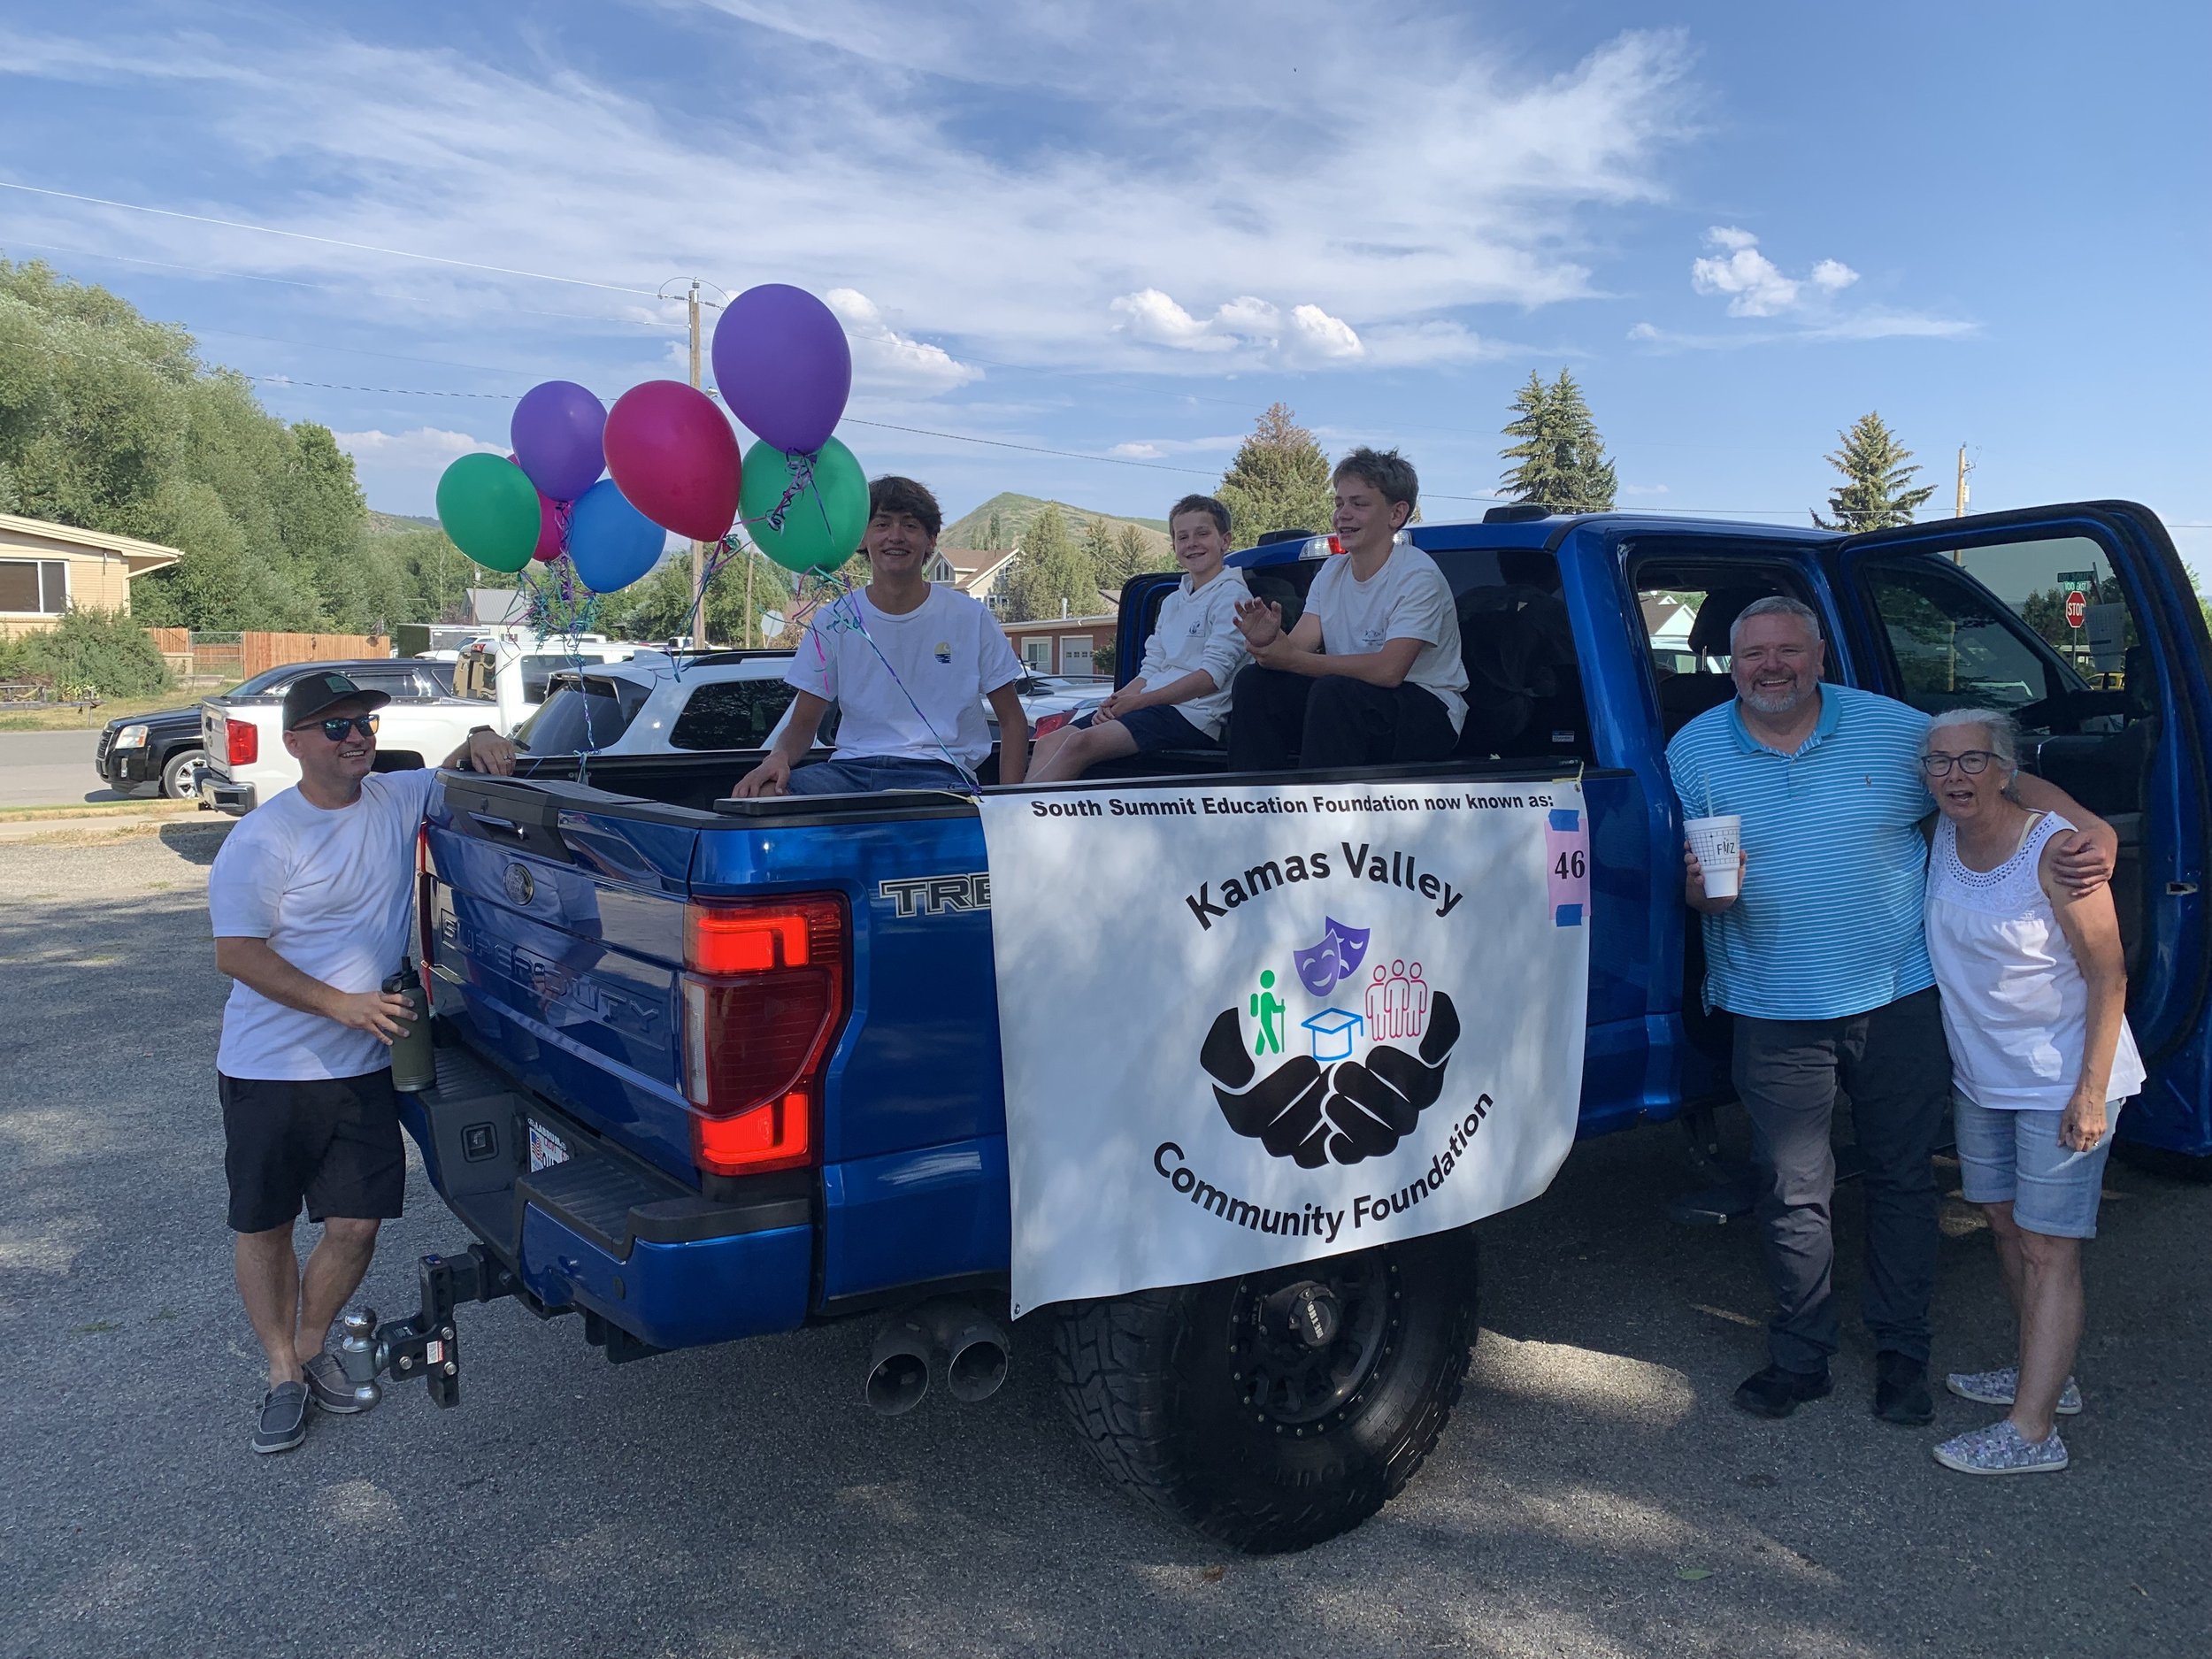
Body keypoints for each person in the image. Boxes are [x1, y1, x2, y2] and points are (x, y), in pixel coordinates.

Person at [1667, 596, 2115, 1425]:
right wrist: (1704, 897)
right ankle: (1800, 1354)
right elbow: (1696, 879)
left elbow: (2001, 775)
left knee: (1904, 1178)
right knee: (1791, 1186)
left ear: (1820, 657)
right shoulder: (1692, 748)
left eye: (1789, 650)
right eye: (1754, 653)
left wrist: (2092, 829)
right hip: (1770, 1000)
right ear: (1732, 666)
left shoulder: (1892, 729)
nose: (1772, 666)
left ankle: (1903, 1352)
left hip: (1895, 995)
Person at [209, 671, 514, 1454]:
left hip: (363, 1066)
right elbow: (236, 952)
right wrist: (340, 1004)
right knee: (266, 1225)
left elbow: (457, 765)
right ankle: (282, 1372)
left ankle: (311, 1347)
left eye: (365, 724)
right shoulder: (264, 838)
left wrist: (479, 737)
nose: (357, 738)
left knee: (356, 1225)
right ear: (295, 743)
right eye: (337, 727)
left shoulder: (396, 796)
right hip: (271, 1066)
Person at [1919, 709, 2143, 1475]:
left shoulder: (2056, 851)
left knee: (2050, 1246)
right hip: (1983, 1076)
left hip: (2062, 1078)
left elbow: (2109, 975)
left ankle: (2032, 1429)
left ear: (2007, 768)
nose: (1956, 775)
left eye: (1974, 760)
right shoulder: (1941, 834)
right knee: (2005, 1225)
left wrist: (2091, 1093)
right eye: (1940, 761)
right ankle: (2044, 1374)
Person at [735, 476, 1027, 797]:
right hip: (849, 772)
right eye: (882, 524)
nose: (895, 536)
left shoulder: (971, 617)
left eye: (910, 525)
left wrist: (1009, 803)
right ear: (862, 537)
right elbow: (802, 725)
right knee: (763, 795)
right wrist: (777, 758)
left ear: (931, 540)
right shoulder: (833, 619)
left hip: (938, 774)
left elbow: (1013, 722)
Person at [1225, 448, 1468, 771]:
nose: (1343, 514)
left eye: (1359, 504)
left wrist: (1292, 659)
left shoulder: (1417, 575)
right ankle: (1253, 796)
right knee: (1255, 681)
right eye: (1339, 503)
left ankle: (1318, 800)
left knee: (1334, 692)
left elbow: (1389, 671)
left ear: (1396, 514)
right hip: (1349, 699)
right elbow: (1296, 649)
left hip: (1428, 710)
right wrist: (1268, 642)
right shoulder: (1331, 571)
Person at [1029, 494, 1248, 782]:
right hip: (1152, 707)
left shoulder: (1233, 597)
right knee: (1049, 742)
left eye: (1202, 533)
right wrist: (1114, 701)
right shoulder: (1172, 601)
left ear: (1225, 540)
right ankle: (1012, 808)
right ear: (1174, 546)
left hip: (1194, 716)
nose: (1192, 543)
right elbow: (1152, 668)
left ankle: (1020, 810)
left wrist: (1139, 703)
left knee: (1079, 744)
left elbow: (1210, 678)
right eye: (1182, 537)